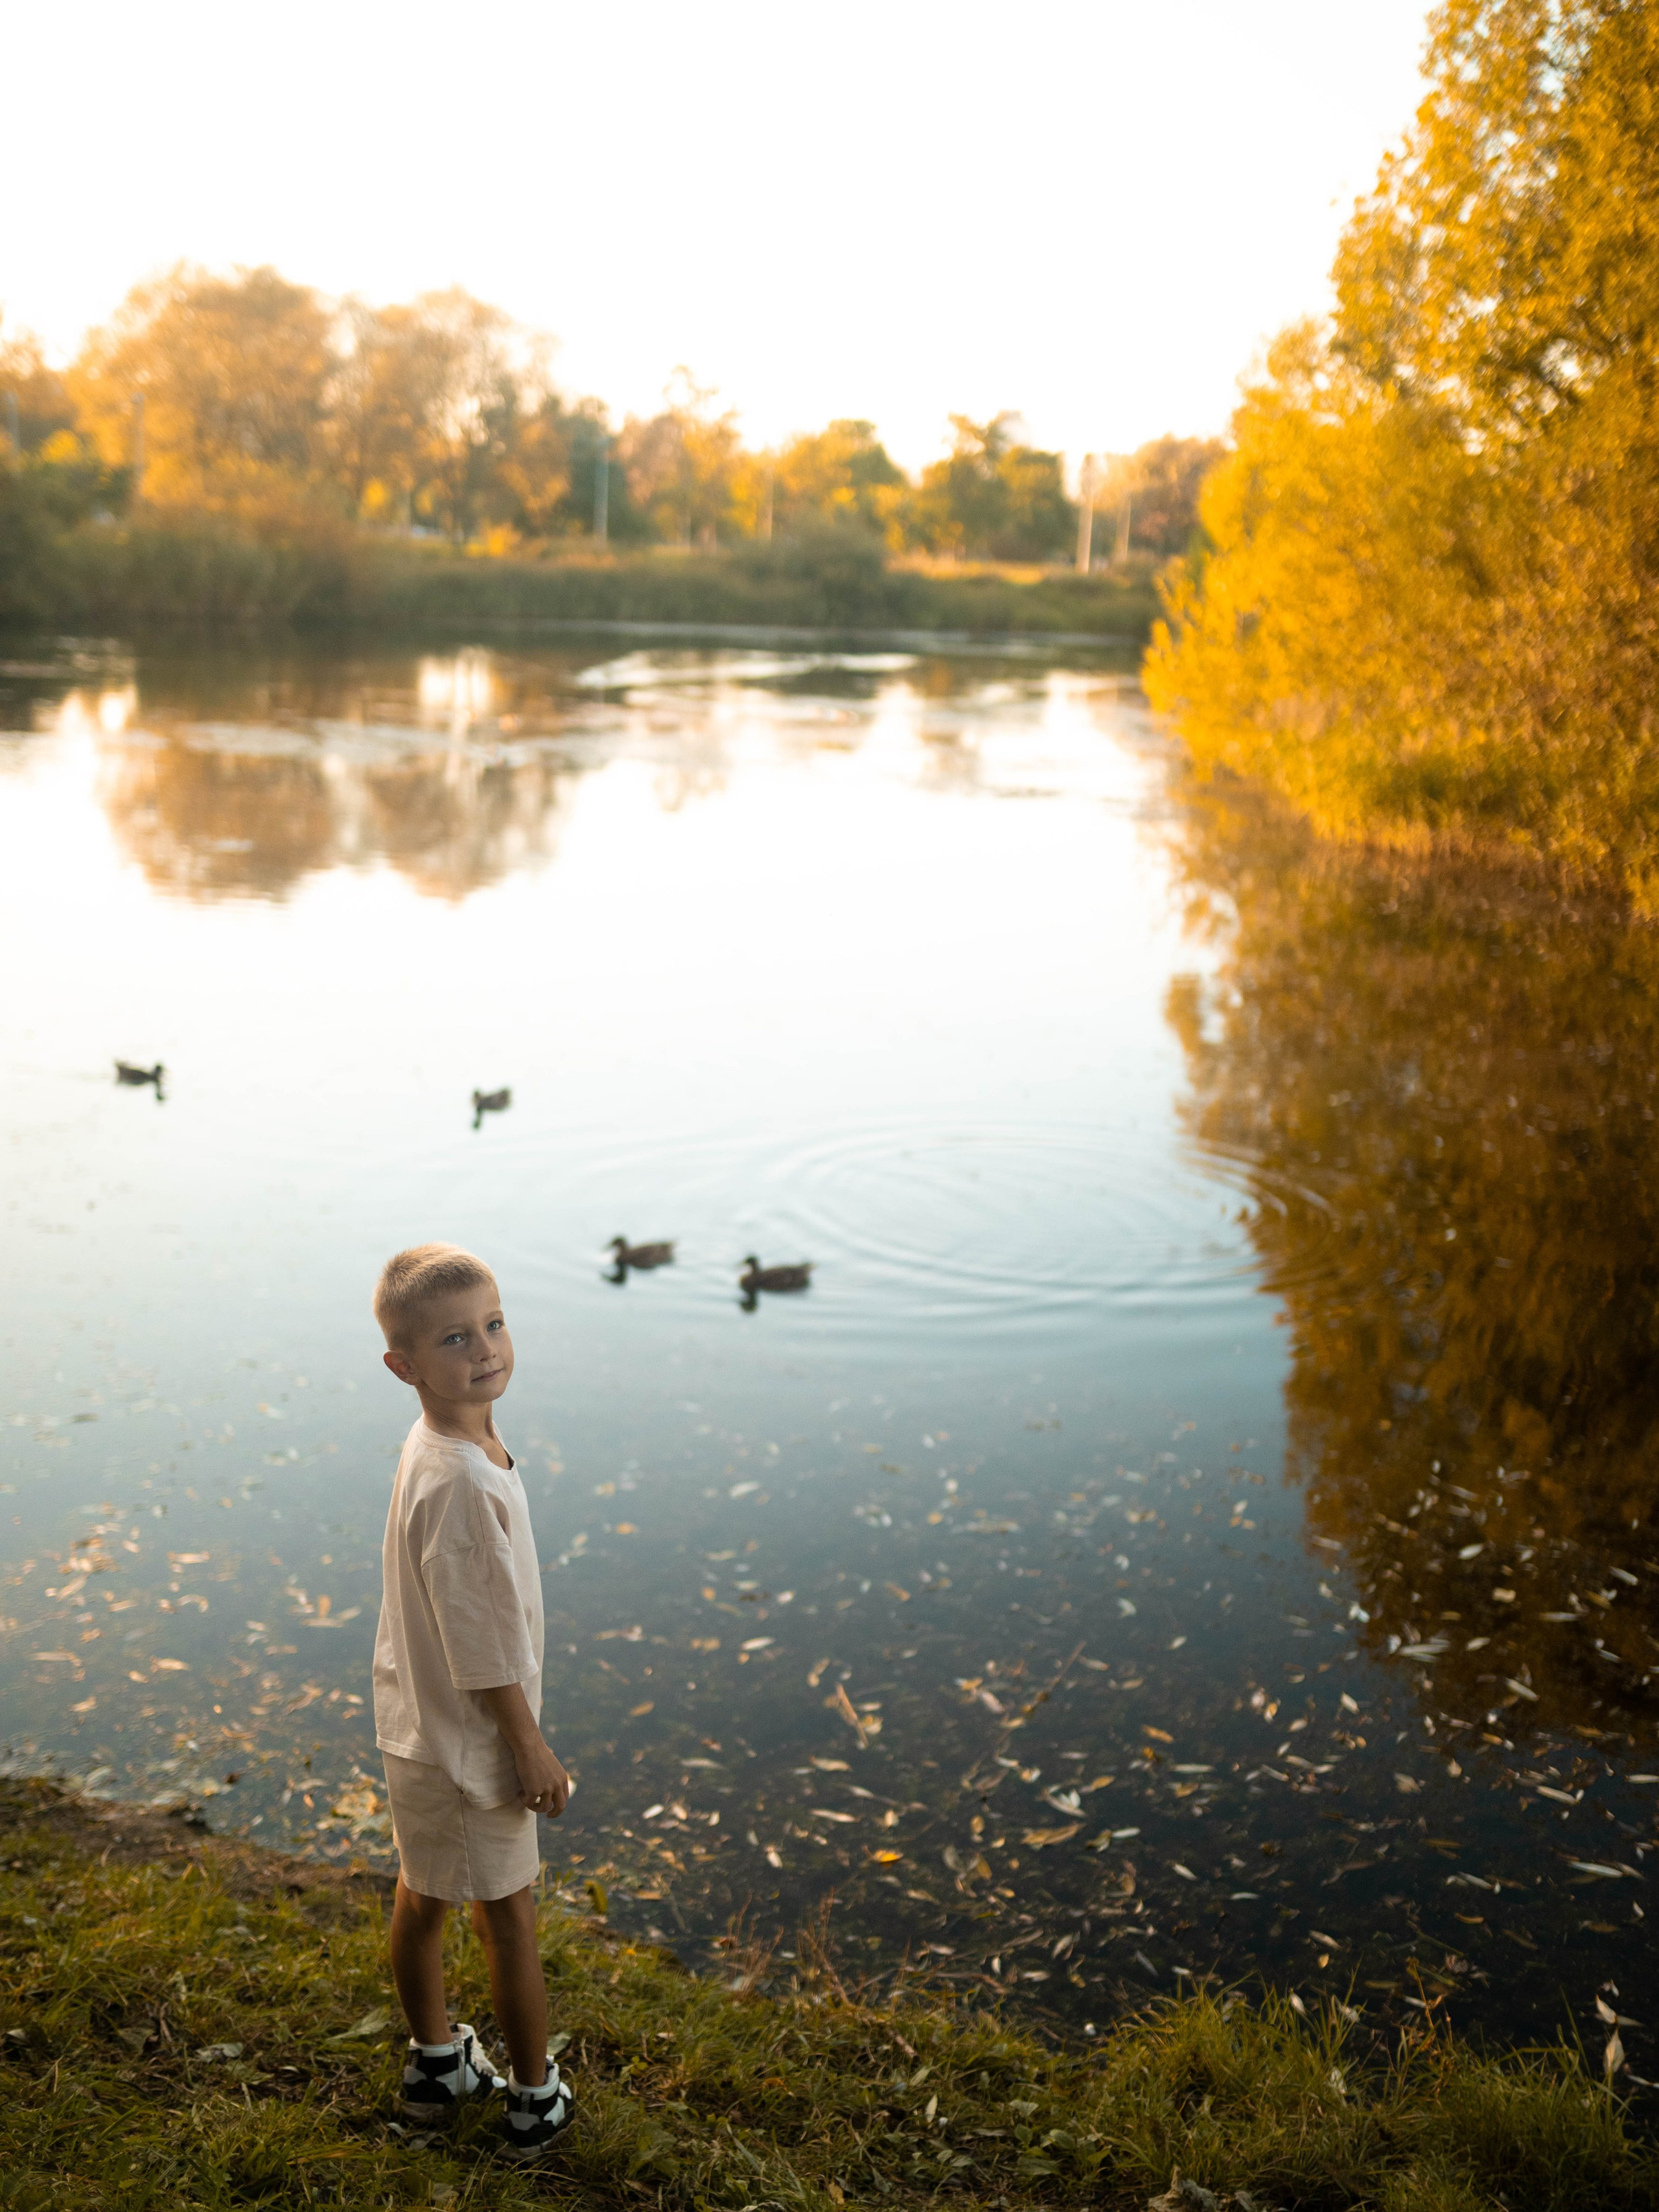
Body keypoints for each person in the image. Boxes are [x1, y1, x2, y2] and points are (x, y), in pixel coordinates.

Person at [371, 1242, 574, 2160]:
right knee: (510, 1921)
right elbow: (485, 1647)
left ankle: (436, 2063)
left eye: (493, 1323)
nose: (486, 1348)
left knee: (423, 1894)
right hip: (473, 1744)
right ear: (404, 1366)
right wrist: (529, 1746)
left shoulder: (441, 1443)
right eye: (455, 1338)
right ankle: (535, 2099)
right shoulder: (459, 1479)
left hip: (419, 1723)